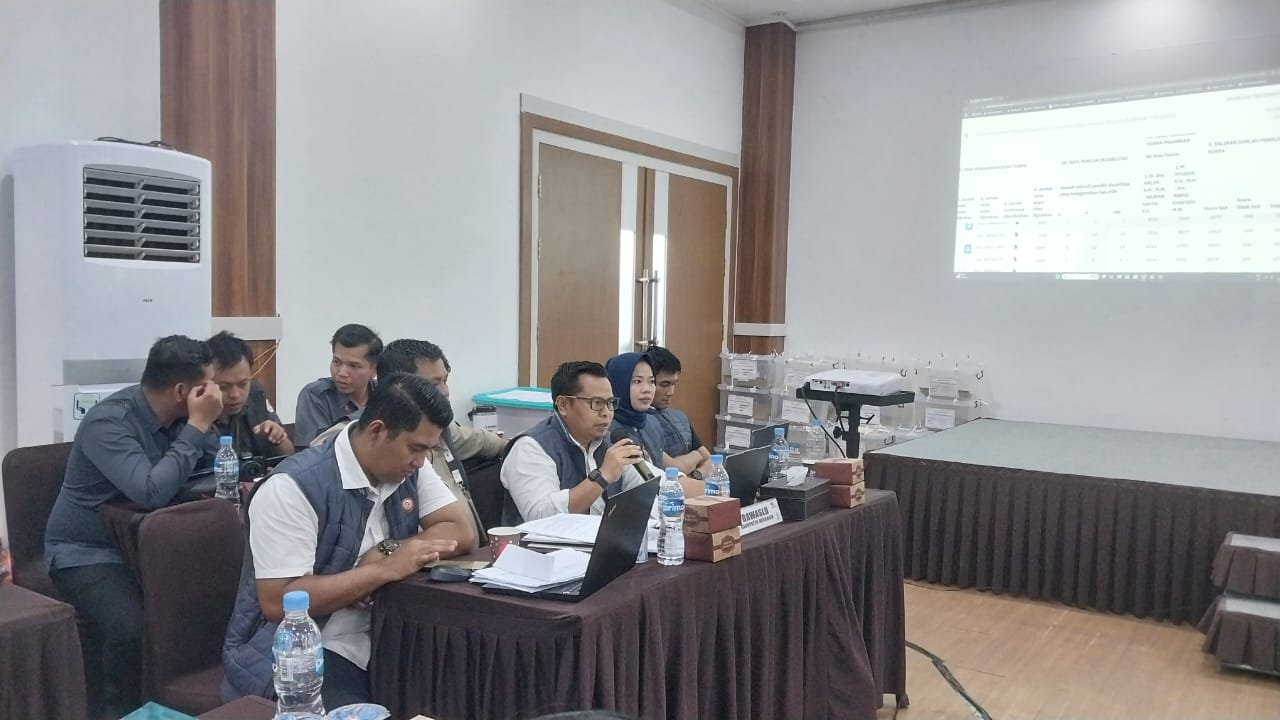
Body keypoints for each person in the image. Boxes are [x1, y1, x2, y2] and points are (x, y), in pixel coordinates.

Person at [223, 373, 476, 707]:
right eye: (416, 449)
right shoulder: (291, 488)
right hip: (306, 651)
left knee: (469, 691)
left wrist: (388, 550)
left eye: (426, 450)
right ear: (377, 431)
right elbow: (278, 601)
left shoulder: (407, 466)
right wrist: (381, 571)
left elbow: (460, 531)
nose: (420, 461)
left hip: (386, 631)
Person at [44, 335, 223, 717]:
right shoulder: (109, 423)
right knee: (133, 628)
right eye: (207, 385)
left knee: (211, 604)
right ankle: (121, 712)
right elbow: (151, 491)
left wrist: (205, 426)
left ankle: (178, 703)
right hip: (87, 552)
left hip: (151, 546)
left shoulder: (179, 419)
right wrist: (197, 423)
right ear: (182, 391)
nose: (214, 393)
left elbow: (220, 465)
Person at [312, 339, 506, 541]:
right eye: (433, 384)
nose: (444, 391)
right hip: (410, 554)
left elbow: (483, 441)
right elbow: (317, 463)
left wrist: (518, 445)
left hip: (460, 551)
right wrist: (394, 551)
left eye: (444, 380)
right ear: (400, 387)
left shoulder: (439, 429)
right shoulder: (348, 439)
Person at [499, 361, 657, 525]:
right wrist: (602, 477)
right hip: (545, 542)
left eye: (610, 403)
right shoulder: (531, 447)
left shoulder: (609, 441)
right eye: (597, 403)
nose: (606, 413)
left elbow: (651, 484)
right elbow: (541, 517)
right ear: (563, 405)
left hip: (602, 538)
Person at [207, 331, 295, 459]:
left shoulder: (255, 395)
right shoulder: (194, 415)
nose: (235, 395)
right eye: (223, 387)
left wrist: (278, 440)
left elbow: (290, 456)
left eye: (243, 384)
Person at [293, 323, 381, 446]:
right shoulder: (316, 396)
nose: (342, 373)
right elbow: (315, 451)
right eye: (337, 362)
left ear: (374, 370)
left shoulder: (385, 393)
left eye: (353, 366)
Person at [646, 345, 711, 477]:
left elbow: (711, 461)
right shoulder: (640, 425)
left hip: (692, 484)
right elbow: (674, 468)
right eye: (664, 384)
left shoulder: (679, 417)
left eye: (674, 384)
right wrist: (696, 455)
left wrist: (696, 475)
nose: (671, 392)